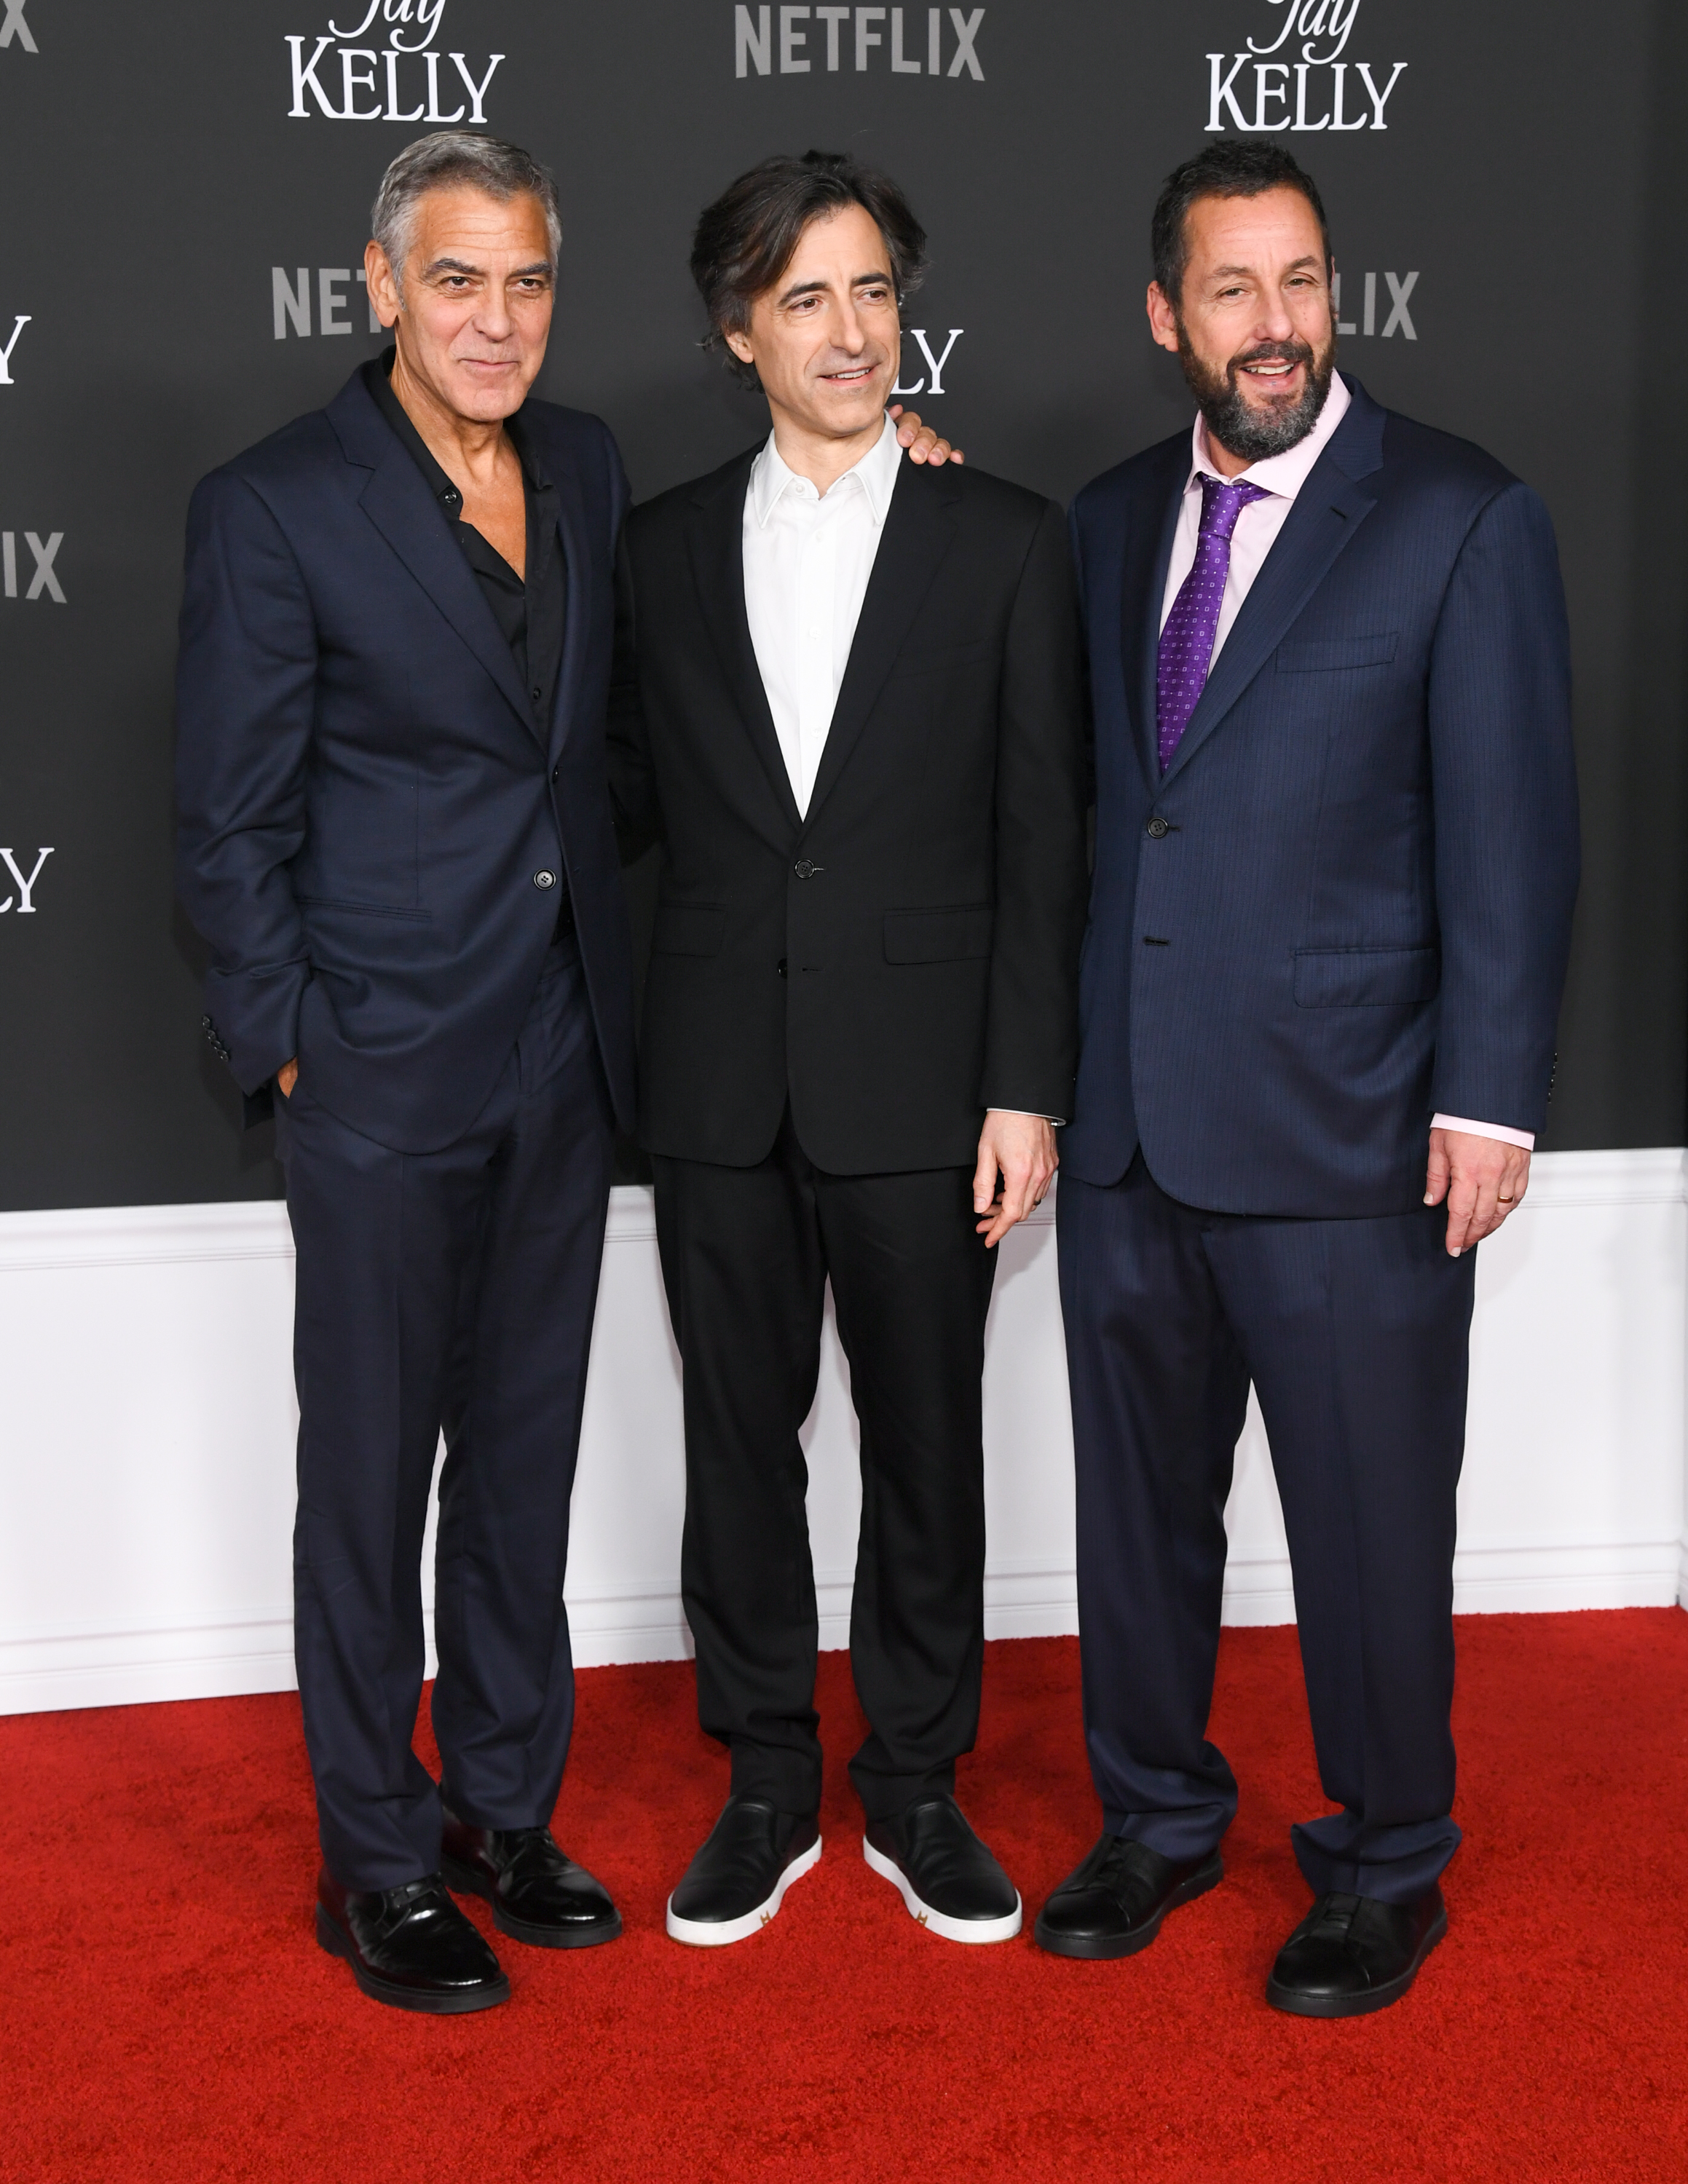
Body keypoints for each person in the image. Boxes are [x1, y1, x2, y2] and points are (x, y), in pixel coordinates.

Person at [174, 128, 956, 2014]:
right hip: (370, 1071)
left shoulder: (589, 467)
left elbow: (653, 679)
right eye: (456, 281)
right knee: (369, 1481)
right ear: (379, 291)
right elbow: (223, 823)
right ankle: (373, 1857)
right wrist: (292, 1052)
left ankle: (497, 1816)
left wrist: (895, 473)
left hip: (560, 1054)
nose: (495, 319)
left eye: (525, 282)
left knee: (520, 1466)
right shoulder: (273, 503)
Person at [1036, 142, 1579, 2016]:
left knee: (1364, 1529)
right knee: (1135, 1522)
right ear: (1167, 316)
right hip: (1128, 1134)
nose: (1276, 327)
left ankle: (1384, 1863)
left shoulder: (1455, 515)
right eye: (1236, 291)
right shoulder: (1104, 521)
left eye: (1302, 283)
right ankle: (1158, 1821)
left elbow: (1513, 834)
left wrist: (1488, 1100)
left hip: (1357, 1137)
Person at [609, 151, 1088, 1950]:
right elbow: (630, 803)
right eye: (804, 298)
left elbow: (1049, 834)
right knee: (738, 1447)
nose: (848, 330)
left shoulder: (1004, 536)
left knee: (926, 1445)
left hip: (928, 1081)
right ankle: (762, 1781)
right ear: (739, 329)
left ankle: (912, 1785)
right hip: (719, 1078)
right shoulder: (656, 549)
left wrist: (1024, 1081)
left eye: (873, 291)